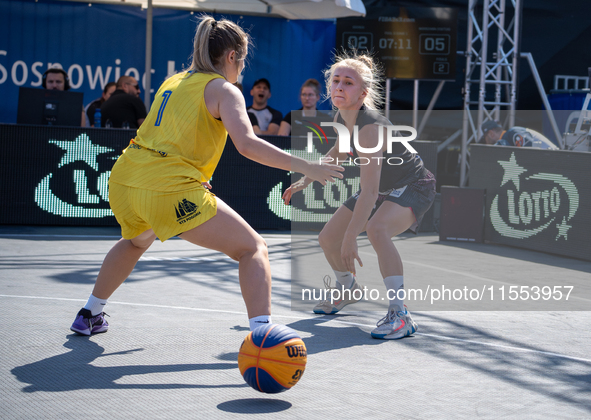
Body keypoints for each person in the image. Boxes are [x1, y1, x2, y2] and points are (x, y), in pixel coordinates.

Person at [69, 16, 344, 336]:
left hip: (125, 180)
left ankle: (90, 313)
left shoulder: (173, 81)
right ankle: (264, 336)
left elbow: (168, 138)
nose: (242, 69)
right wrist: (308, 166)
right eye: (242, 61)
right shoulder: (225, 90)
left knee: (135, 242)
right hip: (165, 187)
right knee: (253, 249)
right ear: (231, 57)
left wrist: (189, 172)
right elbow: (247, 145)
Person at [282, 51, 436, 340]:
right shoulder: (342, 115)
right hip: (385, 187)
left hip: (415, 183)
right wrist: (306, 178)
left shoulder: (370, 128)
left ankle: (400, 314)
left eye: (348, 83)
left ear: (363, 93)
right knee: (328, 239)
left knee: (377, 230)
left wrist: (352, 236)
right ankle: (347, 287)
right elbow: (339, 152)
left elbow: (370, 191)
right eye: (336, 80)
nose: (339, 86)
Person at [479, 120, 558, 149]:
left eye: (485, 138)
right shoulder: (508, 139)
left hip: (556, 160)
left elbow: (531, 151)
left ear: (491, 134)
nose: (486, 142)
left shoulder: (513, 132)